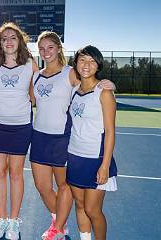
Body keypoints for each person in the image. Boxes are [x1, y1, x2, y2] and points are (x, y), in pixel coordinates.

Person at [30, 31, 115, 240]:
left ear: (59, 48)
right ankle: (59, 223)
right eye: (42, 48)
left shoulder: (71, 73)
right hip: (45, 139)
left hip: (64, 140)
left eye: (50, 47)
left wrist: (111, 85)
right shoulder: (37, 76)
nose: (46, 52)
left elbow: (93, 83)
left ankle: (58, 227)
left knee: (83, 202)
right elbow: (32, 100)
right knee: (46, 188)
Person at [0, 22, 39, 240]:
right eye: (4, 38)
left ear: (20, 41)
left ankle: (14, 222)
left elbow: (39, 92)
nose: (8, 41)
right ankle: (2, 219)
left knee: (16, 173)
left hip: (21, 126)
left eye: (12, 37)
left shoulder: (30, 64)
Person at [66, 45, 117, 240]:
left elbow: (111, 132)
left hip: (96, 158)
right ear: (76, 64)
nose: (87, 65)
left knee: (92, 210)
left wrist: (104, 165)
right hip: (75, 156)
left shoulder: (103, 92)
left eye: (92, 61)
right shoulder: (74, 91)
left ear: (98, 65)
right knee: (79, 205)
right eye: (82, 60)